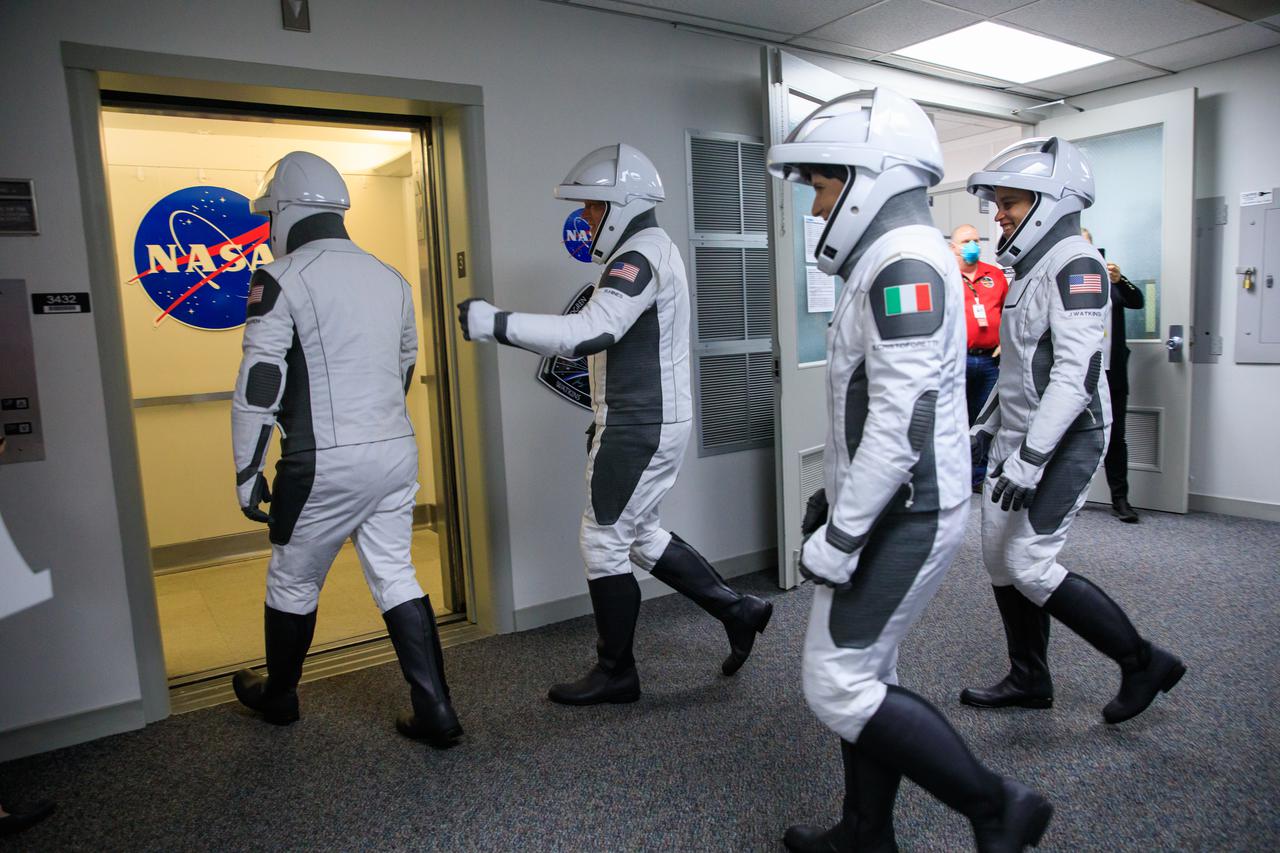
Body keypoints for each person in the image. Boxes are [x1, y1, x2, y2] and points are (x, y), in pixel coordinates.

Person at [769, 89, 1052, 853]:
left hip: (908, 510)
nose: (820, 208)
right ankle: (866, 829)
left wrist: (843, 531)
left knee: (837, 681)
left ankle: (997, 805)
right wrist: (839, 497)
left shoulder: (907, 264)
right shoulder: (888, 259)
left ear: (872, 178)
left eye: (824, 187)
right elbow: (872, 406)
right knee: (870, 668)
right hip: (887, 503)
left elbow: (901, 426)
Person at [457, 143, 772, 705]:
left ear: (623, 204)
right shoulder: (642, 251)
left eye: (594, 208)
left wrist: (495, 323)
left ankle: (616, 672)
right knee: (639, 534)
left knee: (602, 541)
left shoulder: (641, 255)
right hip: (642, 420)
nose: (585, 220)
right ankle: (738, 609)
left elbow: (589, 334)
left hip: (641, 424)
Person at [230, 151, 461, 747]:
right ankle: (436, 710)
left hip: (321, 462)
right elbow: (404, 365)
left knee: (291, 579)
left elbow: (261, 382)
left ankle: (280, 696)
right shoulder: (391, 277)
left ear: (284, 212)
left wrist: (247, 469)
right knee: (396, 574)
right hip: (394, 453)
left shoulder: (278, 278)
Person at [963, 138, 1184, 722]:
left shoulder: (1077, 266)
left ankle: (1142, 661)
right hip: (1020, 435)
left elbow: (1078, 374)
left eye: (1011, 201)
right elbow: (1018, 367)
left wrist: (1032, 459)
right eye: (999, 203)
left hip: (1066, 439)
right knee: (997, 558)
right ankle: (1030, 678)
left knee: (1030, 562)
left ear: (1053, 202)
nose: (1000, 214)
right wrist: (983, 428)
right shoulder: (1029, 268)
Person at [1082, 228, 1145, 523]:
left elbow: (1138, 302)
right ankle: (1068, 498)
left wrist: (1121, 280)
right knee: (1072, 435)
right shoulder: (1067, 280)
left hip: (1112, 372)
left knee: (1116, 437)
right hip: (1078, 373)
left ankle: (1120, 500)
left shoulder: (1111, 280)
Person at [950, 224, 1009, 490]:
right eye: (965, 241)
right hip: (956, 360)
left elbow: (1011, 314)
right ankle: (956, 474)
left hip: (989, 360)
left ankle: (978, 477)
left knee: (984, 420)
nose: (972, 245)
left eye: (975, 240)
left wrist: (1005, 342)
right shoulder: (945, 275)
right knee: (955, 418)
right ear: (953, 247)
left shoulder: (994, 275)